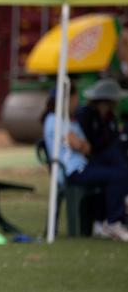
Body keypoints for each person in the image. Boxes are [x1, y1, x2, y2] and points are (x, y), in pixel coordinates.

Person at [42, 83, 128, 241]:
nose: (77, 102)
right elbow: (77, 144)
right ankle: (114, 221)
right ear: (67, 100)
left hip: (82, 166)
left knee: (115, 166)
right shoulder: (54, 120)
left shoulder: (69, 121)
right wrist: (79, 144)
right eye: (75, 99)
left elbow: (87, 147)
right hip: (72, 171)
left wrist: (79, 144)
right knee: (118, 174)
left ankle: (102, 222)